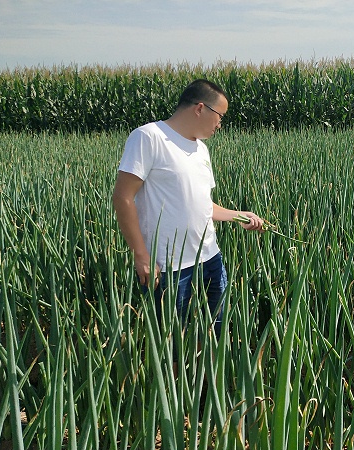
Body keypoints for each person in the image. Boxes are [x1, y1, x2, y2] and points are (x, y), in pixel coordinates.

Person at [112, 79, 265, 336]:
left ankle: (208, 377)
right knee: (172, 342)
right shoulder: (149, 137)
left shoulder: (201, 150)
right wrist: (141, 255)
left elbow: (203, 204)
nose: (220, 124)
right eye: (220, 116)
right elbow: (122, 197)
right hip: (169, 267)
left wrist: (239, 215)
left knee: (216, 332)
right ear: (200, 109)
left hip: (210, 258)